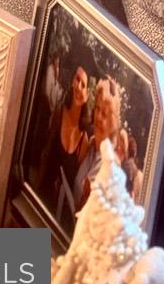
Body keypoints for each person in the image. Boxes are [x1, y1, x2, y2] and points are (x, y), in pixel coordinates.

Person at [35, 62, 91, 224]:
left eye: (83, 85)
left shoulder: (84, 140)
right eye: (77, 79)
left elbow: (75, 185)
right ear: (72, 81)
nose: (79, 87)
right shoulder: (59, 112)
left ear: (87, 94)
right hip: (39, 197)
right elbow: (45, 154)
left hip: (57, 216)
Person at [74, 75, 122, 209]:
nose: (98, 117)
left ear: (113, 124)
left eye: (105, 114)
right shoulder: (91, 146)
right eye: (97, 109)